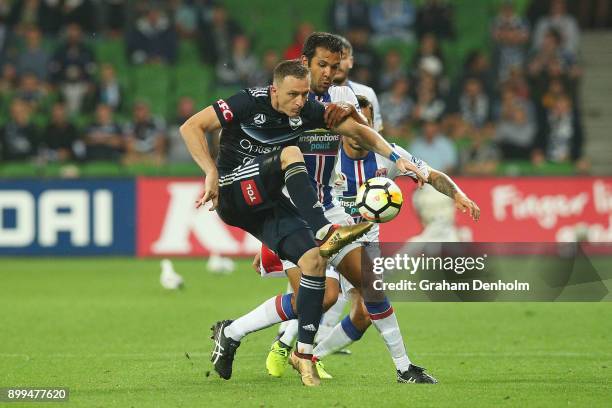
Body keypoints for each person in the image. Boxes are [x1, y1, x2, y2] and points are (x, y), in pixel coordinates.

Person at [180, 54, 417, 385]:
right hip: (233, 191)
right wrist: (210, 172)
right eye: (293, 95)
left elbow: (357, 131)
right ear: (273, 90)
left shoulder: (307, 110)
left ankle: (250, 338)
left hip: (267, 204)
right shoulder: (247, 102)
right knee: (291, 154)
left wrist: (395, 157)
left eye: (305, 94)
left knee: (314, 262)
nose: (300, 102)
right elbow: (191, 126)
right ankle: (323, 228)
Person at [259, 95, 479, 383]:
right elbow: (292, 187)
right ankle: (278, 342)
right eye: (350, 123)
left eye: (363, 122)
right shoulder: (327, 154)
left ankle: (313, 355)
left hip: (367, 241)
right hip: (329, 235)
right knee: (323, 297)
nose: (356, 128)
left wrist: (458, 194)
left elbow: (432, 174)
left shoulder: (388, 156)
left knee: (363, 314)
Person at [332, 35, 383, 133]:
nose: (338, 63)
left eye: (343, 57)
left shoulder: (367, 93)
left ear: (351, 62)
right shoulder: (313, 95)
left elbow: (377, 133)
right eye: (333, 57)